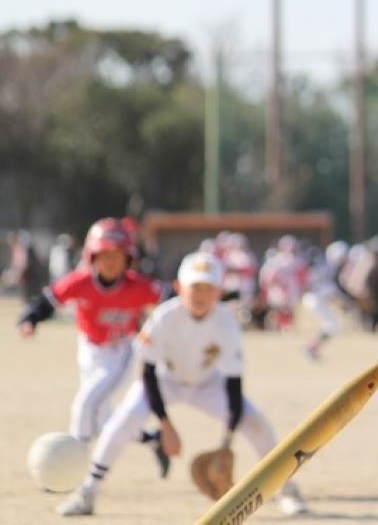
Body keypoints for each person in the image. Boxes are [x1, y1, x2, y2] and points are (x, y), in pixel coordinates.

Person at [57, 251, 308, 517]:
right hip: (165, 381)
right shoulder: (164, 318)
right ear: (179, 288)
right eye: (194, 286)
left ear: (219, 292)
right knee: (122, 421)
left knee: (257, 423)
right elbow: (149, 375)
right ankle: (87, 492)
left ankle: (287, 490)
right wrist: (166, 426)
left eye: (208, 287)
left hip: (207, 383)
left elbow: (234, 386)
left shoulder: (226, 325)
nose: (200, 294)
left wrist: (227, 442)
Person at [17, 218, 170, 472]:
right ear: (92, 256)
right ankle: (152, 439)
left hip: (120, 351)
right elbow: (47, 300)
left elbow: (172, 297)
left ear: (128, 258)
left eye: (117, 255)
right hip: (88, 350)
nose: (110, 261)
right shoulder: (80, 281)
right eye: (104, 254)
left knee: (86, 403)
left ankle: (72, 467)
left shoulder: (138, 286)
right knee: (103, 419)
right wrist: (30, 319)